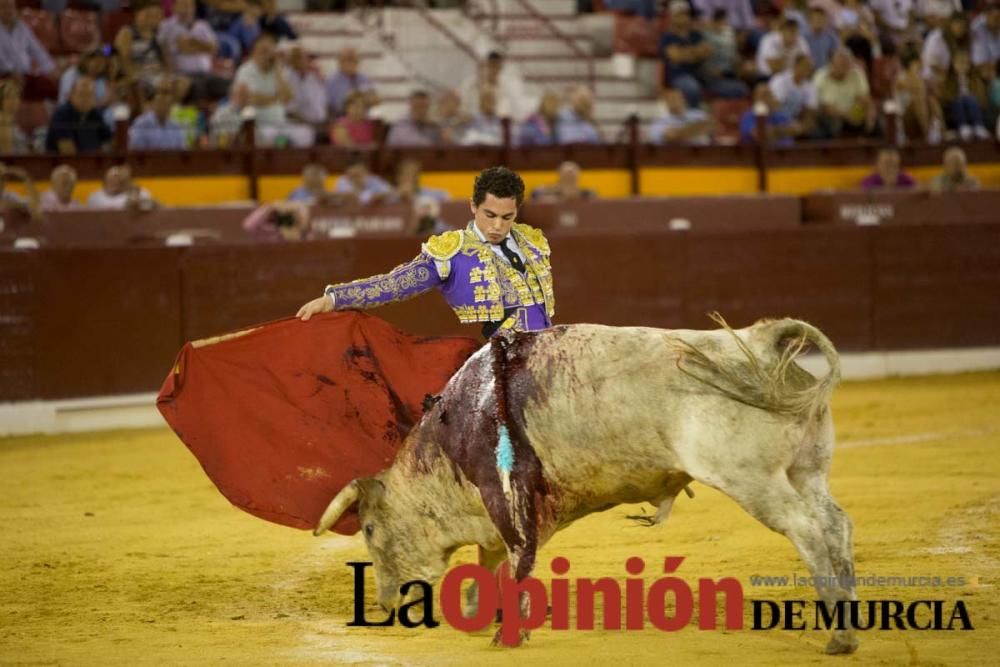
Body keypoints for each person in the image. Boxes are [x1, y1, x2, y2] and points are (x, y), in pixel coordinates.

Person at [296, 166, 555, 339]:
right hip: (498, 361)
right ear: (473, 206)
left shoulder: (531, 241)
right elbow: (395, 284)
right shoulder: (451, 252)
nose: (498, 226)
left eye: (507, 217)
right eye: (490, 215)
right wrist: (335, 299)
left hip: (549, 347)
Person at [157, 0, 229, 102]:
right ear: (174, 7)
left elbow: (214, 48)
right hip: (183, 74)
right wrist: (202, 47)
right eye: (183, 5)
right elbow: (169, 50)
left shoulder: (202, 25)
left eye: (190, 6)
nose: (187, 9)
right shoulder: (166, 26)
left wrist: (193, 42)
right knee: (196, 87)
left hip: (206, 73)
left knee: (228, 84)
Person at [0, 0, 57, 100]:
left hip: (25, 74)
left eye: (10, 7)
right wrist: (12, 72)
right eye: (4, 7)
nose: (7, 10)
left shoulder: (22, 27)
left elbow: (37, 50)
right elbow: (1, 58)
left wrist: (50, 68)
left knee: (49, 87)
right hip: (4, 74)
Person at [812, 48, 876, 137]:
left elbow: (865, 99)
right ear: (832, 63)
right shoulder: (820, 76)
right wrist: (846, 115)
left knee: (876, 123)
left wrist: (870, 116)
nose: (846, 65)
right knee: (834, 124)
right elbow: (823, 107)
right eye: (841, 62)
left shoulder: (857, 74)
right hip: (831, 116)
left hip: (854, 114)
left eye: (848, 62)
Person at [45, 77, 113, 154]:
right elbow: (67, 151)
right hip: (63, 163)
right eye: (81, 95)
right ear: (71, 95)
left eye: (89, 95)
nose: (85, 99)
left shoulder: (94, 114)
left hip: (93, 162)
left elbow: (108, 140)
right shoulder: (61, 115)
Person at [459, 50, 531, 121]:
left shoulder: (508, 87)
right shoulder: (470, 84)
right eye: (491, 65)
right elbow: (461, 109)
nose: (493, 69)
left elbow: (516, 112)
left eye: (497, 66)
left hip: (497, 125)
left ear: (501, 67)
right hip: (472, 125)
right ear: (486, 65)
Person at [939, 49, 992, 141]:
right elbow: (945, 97)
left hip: (972, 106)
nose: (962, 67)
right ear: (953, 65)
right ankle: (963, 126)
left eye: (965, 63)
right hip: (956, 107)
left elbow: (980, 96)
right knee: (959, 101)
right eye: (959, 63)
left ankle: (978, 125)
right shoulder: (948, 81)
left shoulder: (974, 80)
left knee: (970, 99)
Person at [128, 79, 187, 150]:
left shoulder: (176, 128)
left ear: (173, 100)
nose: (162, 97)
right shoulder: (141, 124)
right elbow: (135, 154)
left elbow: (182, 156)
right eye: (159, 92)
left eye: (166, 93)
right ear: (154, 97)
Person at [768, 54, 818, 137]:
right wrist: (786, 125)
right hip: (775, 119)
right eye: (805, 66)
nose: (807, 70)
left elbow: (811, 111)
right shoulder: (780, 80)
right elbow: (773, 106)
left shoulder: (810, 87)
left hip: (795, 121)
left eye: (810, 68)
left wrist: (802, 126)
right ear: (795, 65)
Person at [282, 42, 327, 129]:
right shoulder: (286, 77)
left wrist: (322, 80)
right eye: (299, 57)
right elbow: (289, 110)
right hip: (299, 124)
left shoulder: (314, 75)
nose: (306, 61)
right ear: (291, 60)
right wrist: (308, 124)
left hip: (320, 123)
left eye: (306, 58)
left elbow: (323, 102)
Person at [647, 87, 714, 145]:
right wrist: (698, 127)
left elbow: (712, 126)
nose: (676, 101)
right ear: (664, 102)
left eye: (678, 97)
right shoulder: (658, 122)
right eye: (671, 99)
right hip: (676, 156)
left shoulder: (698, 114)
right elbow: (672, 136)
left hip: (704, 153)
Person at [326, 47, 378, 118]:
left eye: (353, 59)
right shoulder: (331, 81)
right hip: (340, 120)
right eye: (347, 60)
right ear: (340, 62)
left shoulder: (364, 79)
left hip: (363, 119)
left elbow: (375, 99)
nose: (350, 63)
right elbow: (329, 106)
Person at [87, 165, 157, 209]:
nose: (114, 181)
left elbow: (151, 208)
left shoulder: (141, 193)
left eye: (118, 177)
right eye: (111, 179)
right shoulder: (96, 197)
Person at [531, 161, 597, 202]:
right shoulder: (547, 193)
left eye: (572, 178)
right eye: (566, 176)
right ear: (560, 176)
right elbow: (535, 194)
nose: (569, 177)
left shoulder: (588, 194)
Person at [0, 79, 29, 154]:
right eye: (8, 97)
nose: (13, 100)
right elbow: (7, 155)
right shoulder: (3, 121)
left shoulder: (11, 119)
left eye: (16, 96)